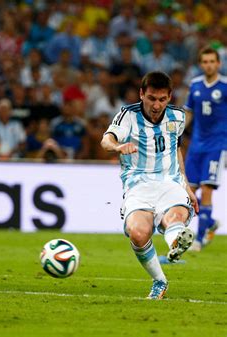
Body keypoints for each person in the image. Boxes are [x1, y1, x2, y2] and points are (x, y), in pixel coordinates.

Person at [100, 71, 199, 300]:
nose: (157, 105)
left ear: (170, 97)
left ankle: (176, 242)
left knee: (173, 219)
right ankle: (160, 280)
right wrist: (118, 147)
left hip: (170, 182)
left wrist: (186, 185)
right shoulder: (128, 115)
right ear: (142, 94)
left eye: (162, 99)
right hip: (138, 184)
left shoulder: (177, 117)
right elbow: (106, 140)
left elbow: (176, 149)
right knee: (138, 232)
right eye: (152, 98)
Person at [184, 46, 227, 251]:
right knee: (188, 193)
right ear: (201, 64)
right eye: (205, 62)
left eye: (212, 61)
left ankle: (199, 240)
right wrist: (177, 134)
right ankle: (209, 222)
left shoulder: (225, 86)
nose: (209, 65)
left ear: (218, 63)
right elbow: (189, 112)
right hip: (196, 146)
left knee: (207, 189)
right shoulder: (195, 85)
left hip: (217, 146)